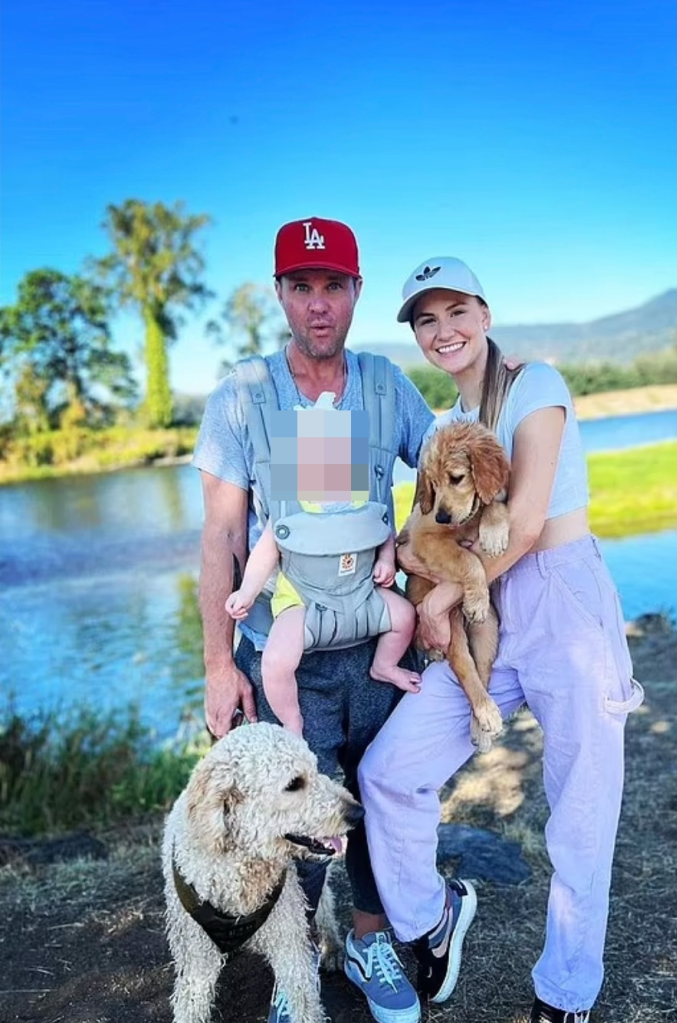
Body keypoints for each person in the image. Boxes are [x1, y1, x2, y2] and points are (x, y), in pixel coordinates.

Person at [358, 257, 645, 1023]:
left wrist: (440, 595)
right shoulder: (445, 424)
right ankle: (431, 917)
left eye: (456, 311)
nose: (442, 330)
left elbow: (522, 520)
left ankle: (564, 994)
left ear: (484, 314)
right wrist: (410, 564)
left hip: (556, 596)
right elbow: (422, 525)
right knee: (389, 769)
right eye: (426, 319)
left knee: (580, 806)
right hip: (482, 619)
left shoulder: (536, 385)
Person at [192, 217, 434, 1023]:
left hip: (373, 646)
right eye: (303, 287)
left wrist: (415, 562)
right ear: (281, 294)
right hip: (283, 651)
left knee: (373, 798)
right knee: (296, 811)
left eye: (334, 286)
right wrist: (219, 664)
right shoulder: (243, 393)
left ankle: (369, 942)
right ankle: (298, 967)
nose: (319, 305)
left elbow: (442, 473)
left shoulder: (384, 385)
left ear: (357, 292)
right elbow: (224, 536)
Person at [223, 424, 422, 736]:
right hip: (304, 601)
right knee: (275, 661)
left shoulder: (363, 503)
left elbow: (382, 533)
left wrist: (385, 560)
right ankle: (291, 719)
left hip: (360, 594)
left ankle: (384, 665)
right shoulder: (290, 512)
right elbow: (264, 554)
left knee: (405, 616)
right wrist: (246, 592)